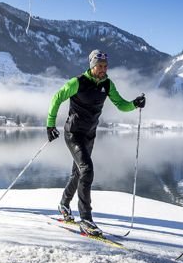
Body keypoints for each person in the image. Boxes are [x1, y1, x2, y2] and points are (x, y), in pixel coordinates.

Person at [46, 49, 145, 236]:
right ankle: (86, 219)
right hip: (73, 134)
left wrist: (134, 103)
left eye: (105, 66)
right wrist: (50, 125)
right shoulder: (78, 82)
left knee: (78, 173)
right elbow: (57, 98)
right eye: (100, 66)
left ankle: (63, 204)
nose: (103, 69)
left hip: (90, 135)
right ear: (92, 66)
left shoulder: (107, 85)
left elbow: (121, 105)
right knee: (87, 170)